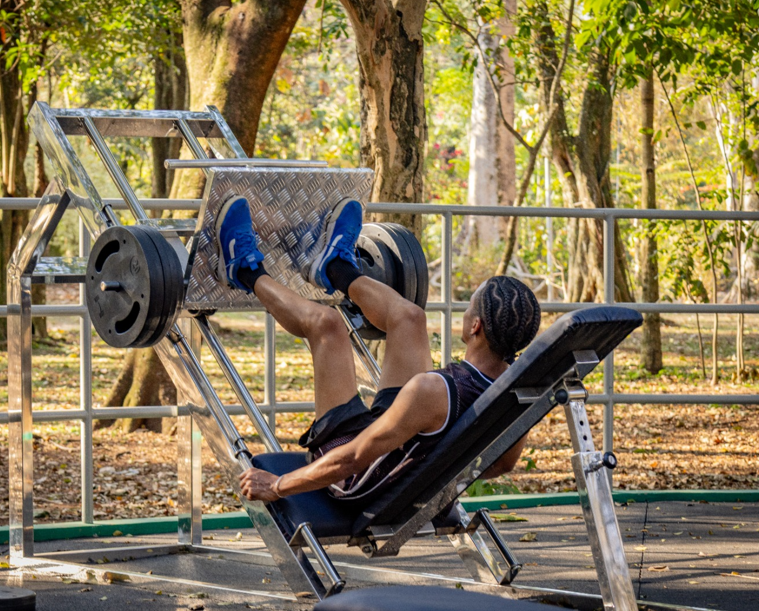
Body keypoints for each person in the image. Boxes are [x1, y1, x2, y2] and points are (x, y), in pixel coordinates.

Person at [213, 196, 540, 504]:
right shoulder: (515, 388)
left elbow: (353, 458)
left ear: (475, 327)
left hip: (356, 477)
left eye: (469, 307)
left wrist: (278, 485)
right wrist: (431, 472)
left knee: (327, 325)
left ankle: (243, 270)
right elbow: (503, 464)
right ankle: (335, 269)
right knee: (411, 317)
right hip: (401, 452)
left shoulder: (433, 390)